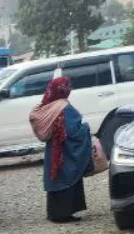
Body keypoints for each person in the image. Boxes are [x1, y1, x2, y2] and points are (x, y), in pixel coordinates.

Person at [29, 76, 93, 223]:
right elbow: (71, 131)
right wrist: (85, 128)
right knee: (66, 177)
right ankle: (63, 214)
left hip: (53, 150)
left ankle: (55, 213)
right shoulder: (64, 107)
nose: (70, 89)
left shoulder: (48, 105)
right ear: (63, 90)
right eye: (68, 86)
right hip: (64, 152)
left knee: (56, 177)